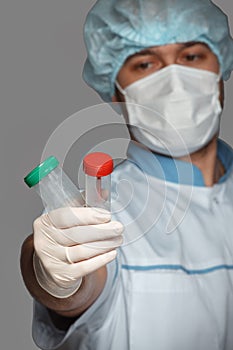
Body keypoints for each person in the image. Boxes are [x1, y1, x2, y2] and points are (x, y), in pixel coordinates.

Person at [20, 0, 233, 349]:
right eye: (145, 64)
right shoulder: (105, 208)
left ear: (221, 65)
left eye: (192, 56)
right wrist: (52, 274)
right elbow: (78, 290)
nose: (174, 79)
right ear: (116, 88)